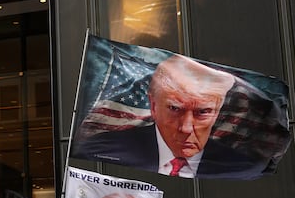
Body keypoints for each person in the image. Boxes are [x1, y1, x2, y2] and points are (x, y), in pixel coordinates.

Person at [74, 54, 266, 179]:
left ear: (217, 111)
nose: (185, 128)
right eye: (175, 109)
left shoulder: (240, 165)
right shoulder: (101, 147)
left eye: (203, 112)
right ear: (153, 105)